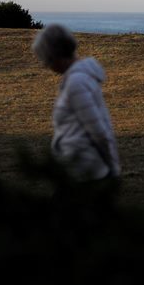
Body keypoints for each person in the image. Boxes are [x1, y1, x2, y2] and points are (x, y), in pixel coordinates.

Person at [32, 24, 120, 185]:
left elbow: (98, 130)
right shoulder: (81, 77)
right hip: (78, 169)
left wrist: (113, 168)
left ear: (54, 55)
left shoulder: (76, 83)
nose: (46, 66)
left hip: (83, 171)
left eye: (46, 60)